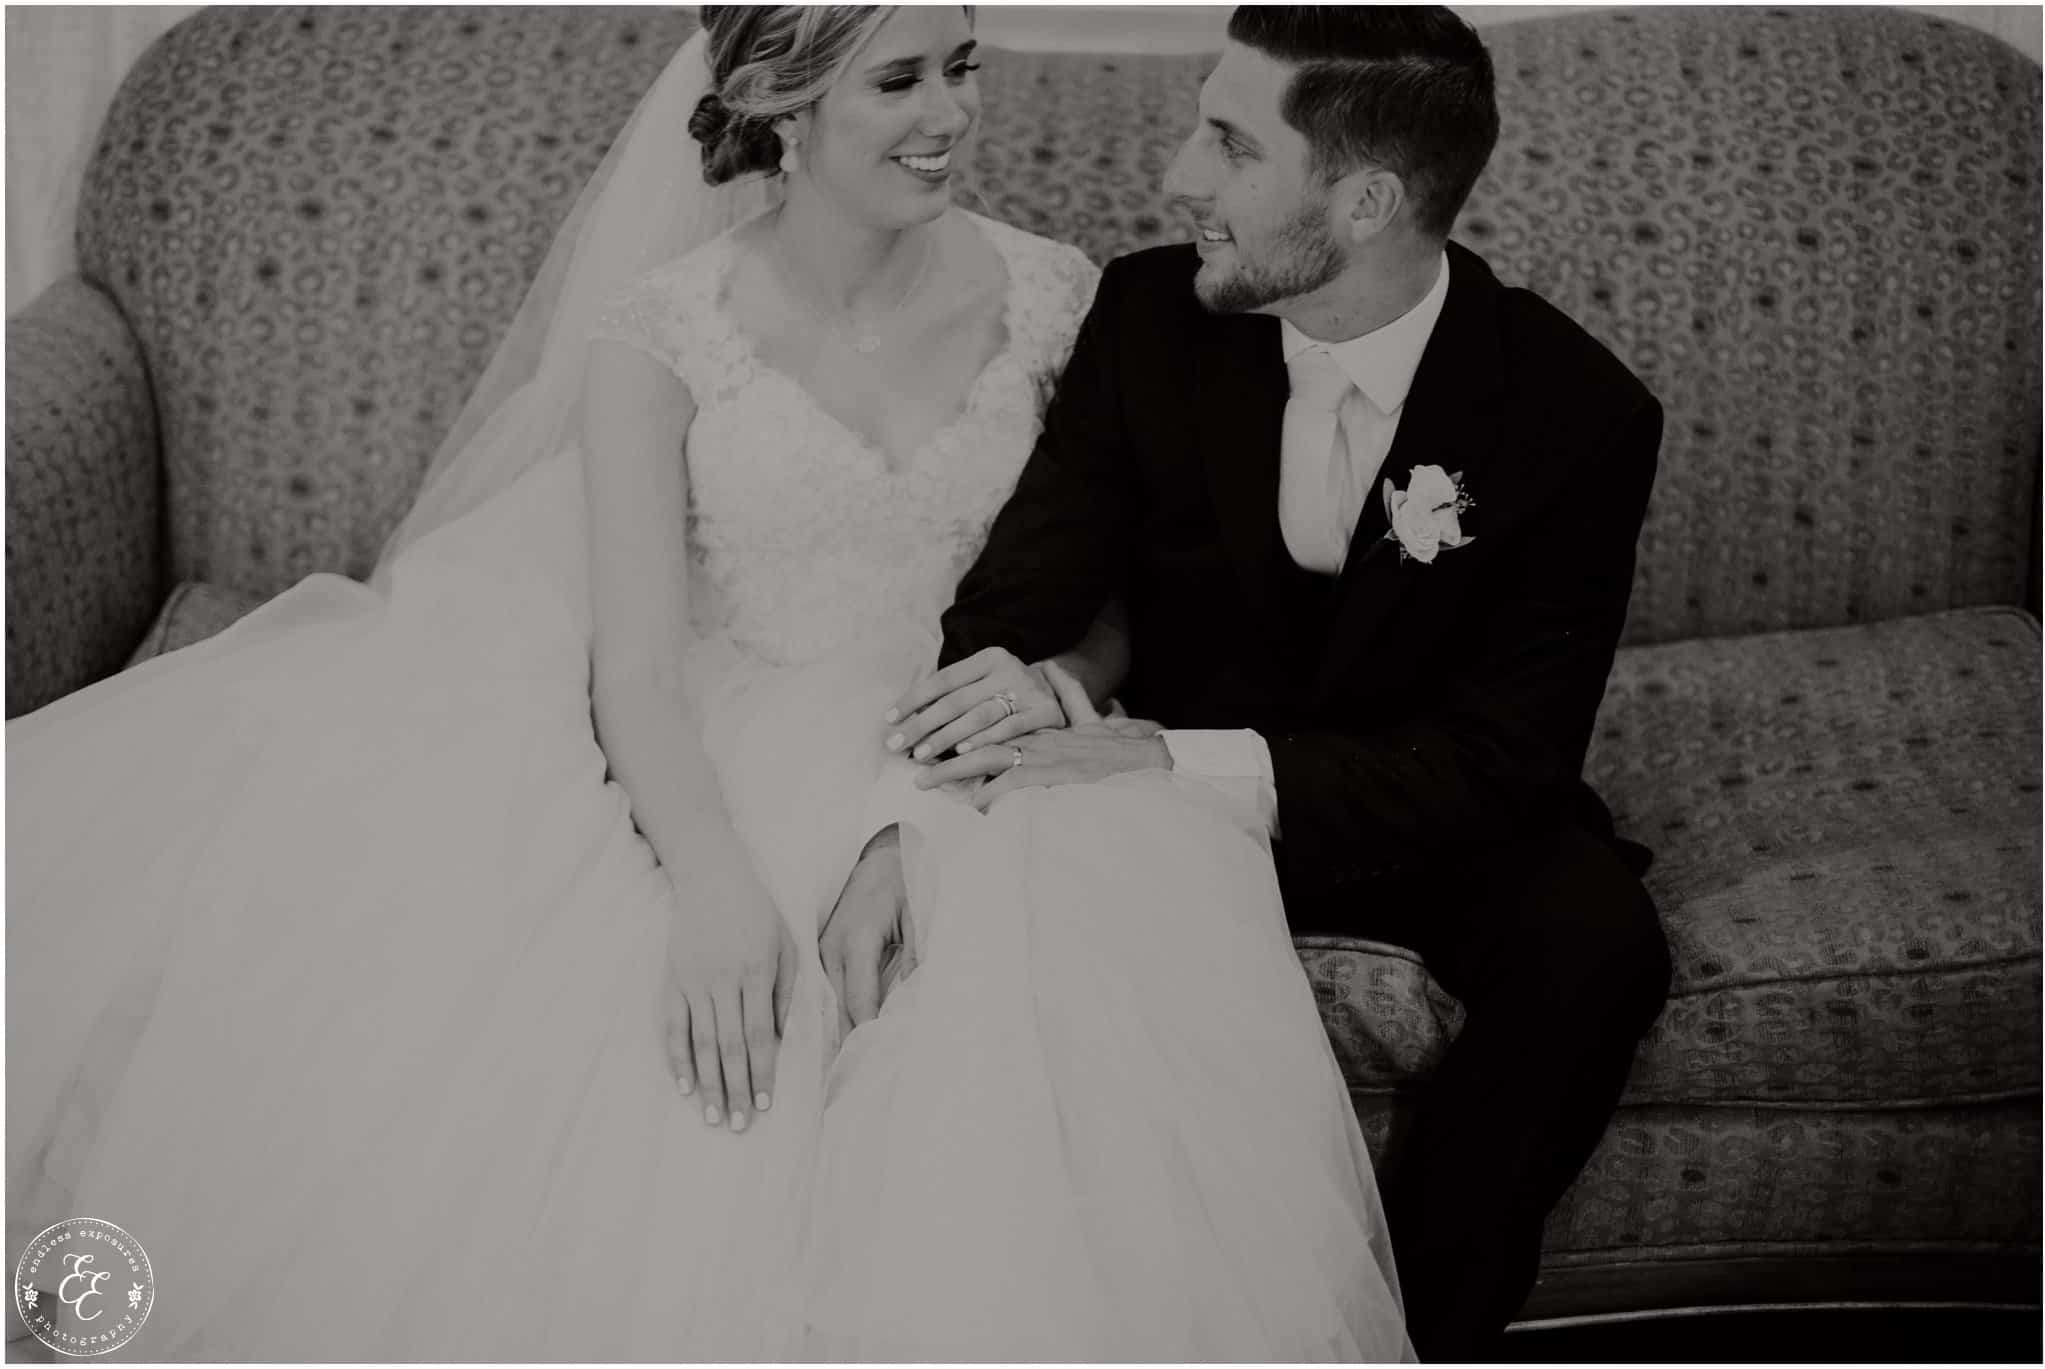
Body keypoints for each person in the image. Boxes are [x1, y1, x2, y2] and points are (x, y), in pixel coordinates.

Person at [7, 7, 1407, 1360]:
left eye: (962, 65)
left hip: (988, 744)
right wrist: (719, 887)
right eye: (900, 81)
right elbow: (634, 668)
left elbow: (1108, 603)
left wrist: (1042, 692)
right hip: (737, 742)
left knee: (1042, 1018)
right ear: (776, 103)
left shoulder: (1057, 297)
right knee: (683, 1068)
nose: (952, 113)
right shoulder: (662, 335)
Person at [855, 6, 1673, 1360]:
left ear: (1365, 203)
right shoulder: (1149, 317)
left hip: (1415, 804)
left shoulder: (1576, 414)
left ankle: (1410, 1339)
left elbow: (1506, 758)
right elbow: (1018, 596)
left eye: (1231, 147)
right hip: (1150, 813)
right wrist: (989, 722)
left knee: (1598, 950)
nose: (1178, 175)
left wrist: (1180, 761)